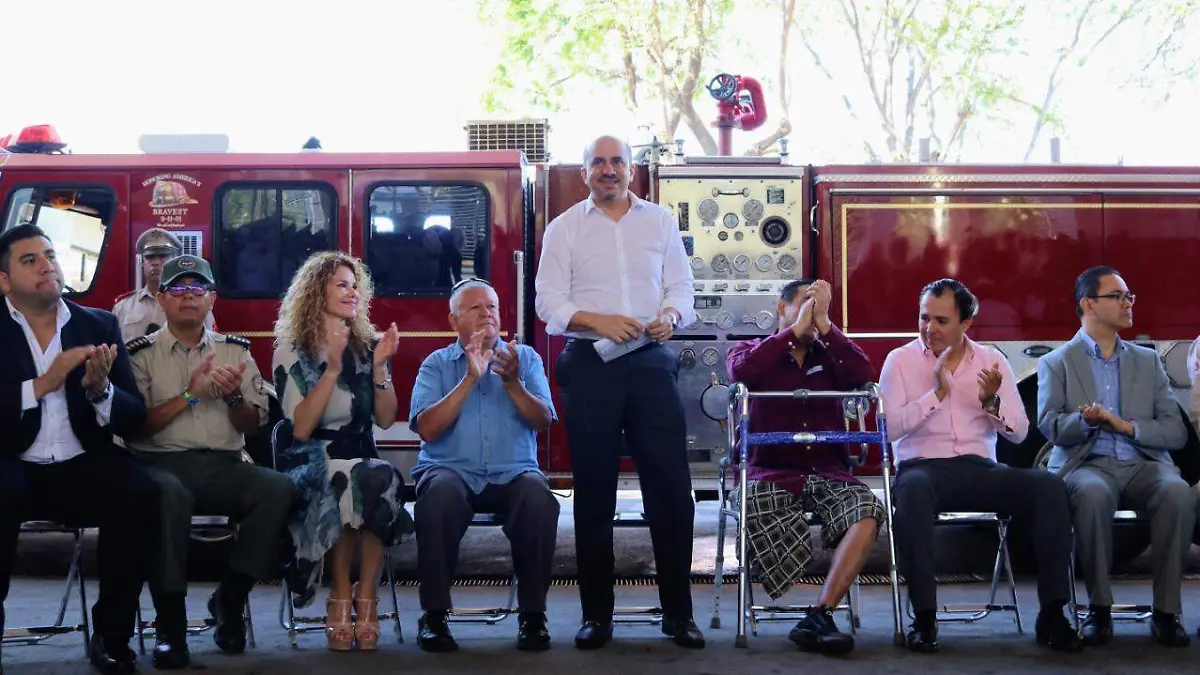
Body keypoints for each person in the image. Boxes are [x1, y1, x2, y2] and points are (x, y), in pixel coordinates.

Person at [534, 134, 703, 650]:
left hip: (650, 363)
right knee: (593, 492)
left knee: (672, 490)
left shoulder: (659, 222)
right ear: (584, 172)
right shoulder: (564, 229)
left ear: (632, 171)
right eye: (598, 163)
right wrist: (596, 320)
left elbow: (682, 290)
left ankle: (678, 615)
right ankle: (596, 617)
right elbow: (548, 303)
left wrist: (672, 317)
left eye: (617, 162)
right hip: (589, 364)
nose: (608, 170)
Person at [879, 278, 1080, 653]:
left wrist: (992, 404)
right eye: (924, 318)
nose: (929, 329)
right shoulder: (900, 361)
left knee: (1049, 487)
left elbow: (1020, 434)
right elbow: (888, 431)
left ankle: (1053, 613)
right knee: (914, 493)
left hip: (980, 468)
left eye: (941, 320)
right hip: (923, 468)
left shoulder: (992, 360)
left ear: (965, 324)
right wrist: (937, 393)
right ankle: (924, 618)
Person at [0, 224, 159, 674]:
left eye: (50, 255)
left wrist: (100, 390)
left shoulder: (98, 324)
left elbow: (135, 416)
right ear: (4, 281)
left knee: (138, 491)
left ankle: (111, 636)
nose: (46, 265)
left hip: (80, 463)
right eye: (29, 260)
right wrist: (44, 383)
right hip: (12, 460)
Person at [125, 254, 295, 668]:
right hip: (160, 464)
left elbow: (253, 421)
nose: (188, 297)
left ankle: (230, 599)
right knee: (168, 496)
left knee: (278, 488)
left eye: (197, 289)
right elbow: (136, 427)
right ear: (162, 300)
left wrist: (234, 395)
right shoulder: (140, 355)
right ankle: (171, 625)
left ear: (212, 299)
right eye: (178, 290)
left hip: (223, 465)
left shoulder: (234, 351)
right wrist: (191, 394)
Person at [1036, 266, 1194, 647]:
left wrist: (1125, 426)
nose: (1128, 303)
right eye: (1118, 296)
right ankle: (1099, 610)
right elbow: (1050, 426)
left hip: (1144, 465)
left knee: (1177, 493)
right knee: (1091, 494)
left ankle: (1167, 613)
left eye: (1129, 297)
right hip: (1087, 464)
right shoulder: (1057, 362)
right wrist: (1086, 420)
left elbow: (1175, 432)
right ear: (1088, 304)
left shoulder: (1147, 360)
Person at [725, 279, 882, 654]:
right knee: (755, 505)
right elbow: (741, 373)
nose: (811, 315)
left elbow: (863, 373)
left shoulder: (831, 355)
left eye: (818, 307)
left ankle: (820, 612)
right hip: (770, 473)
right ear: (781, 309)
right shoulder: (751, 350)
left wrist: (826, 324)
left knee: (868, 509)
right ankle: (801, 605)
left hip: (828, 471)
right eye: (804, 305)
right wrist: (791, 334)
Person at [272, 251, 414, 652]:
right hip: (310, 459)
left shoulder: (365, 346)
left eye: (355, 285)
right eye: (341, 284)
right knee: (351, 479)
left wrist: (382, 368)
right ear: (318, 292)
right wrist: (332, 369)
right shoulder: (291, 349)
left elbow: (386, 420)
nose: (352, 292)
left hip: (364, 458)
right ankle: (340, 596)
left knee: (375, 476)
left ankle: (364, 597)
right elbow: (299, 427)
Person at [409, 279, 559, 652]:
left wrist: (512, 384)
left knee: (539, 498)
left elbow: (544, 421)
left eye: (491, 306)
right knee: (438, 496)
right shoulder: (437, 363)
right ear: (453, 320)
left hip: (513, 473)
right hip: (451, 470)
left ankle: (533, 617)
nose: (487, 313)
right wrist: (469, 379)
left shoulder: (524, 359)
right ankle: (434, 616)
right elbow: (427, 429)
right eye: (476, 308)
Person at [112, 228, 212, 341]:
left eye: (162, 256)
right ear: (142, 263)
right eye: (149, 257)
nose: (156, 262)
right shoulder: (123, 306)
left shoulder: (193, 304)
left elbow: (209, 347)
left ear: (174, 260)